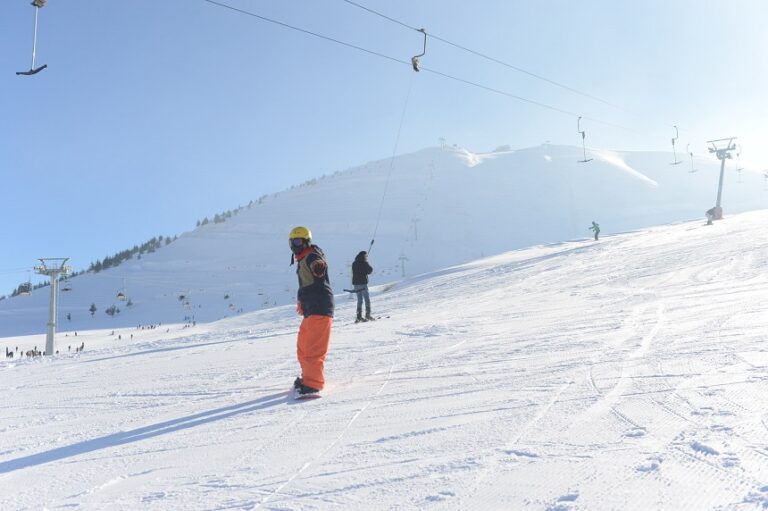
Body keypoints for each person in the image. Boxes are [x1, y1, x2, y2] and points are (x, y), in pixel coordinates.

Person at [289, 226, 334, 396]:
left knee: (312, 348)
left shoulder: (312, 255)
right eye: (293, 242)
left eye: (299, 241)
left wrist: (319, 266)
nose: (295, 245)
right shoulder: (301, 259)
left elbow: (318, 264)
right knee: (302, 346)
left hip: (320, 307)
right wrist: (302, 300)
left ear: (306, 241)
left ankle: (313, 384)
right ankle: (308, 377)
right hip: (312, 308)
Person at [352, 251, 374, 322]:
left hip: (356, 284)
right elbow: (370, 271)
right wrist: (367, 263)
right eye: (366, 256)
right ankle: (368, 315)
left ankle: (359, 317)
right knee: (367, 299)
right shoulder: (364, 263)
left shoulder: (354, 263)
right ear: (364, 256)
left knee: (359, 300)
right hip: (363, 284)